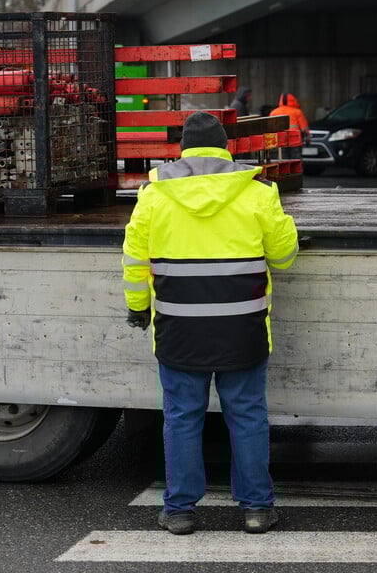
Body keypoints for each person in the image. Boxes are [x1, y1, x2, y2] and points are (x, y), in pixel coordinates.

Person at [122, 111, 298, 536]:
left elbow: (134, 261)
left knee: (183, 417)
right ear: (226, 148)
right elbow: (284, 257)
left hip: (179, 330)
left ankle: (180, 511)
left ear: (182, 149)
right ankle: (257, 509)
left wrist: (138, 307)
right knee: (247, 415)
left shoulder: (154, 195)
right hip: (242, 329)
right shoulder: (257, 192)